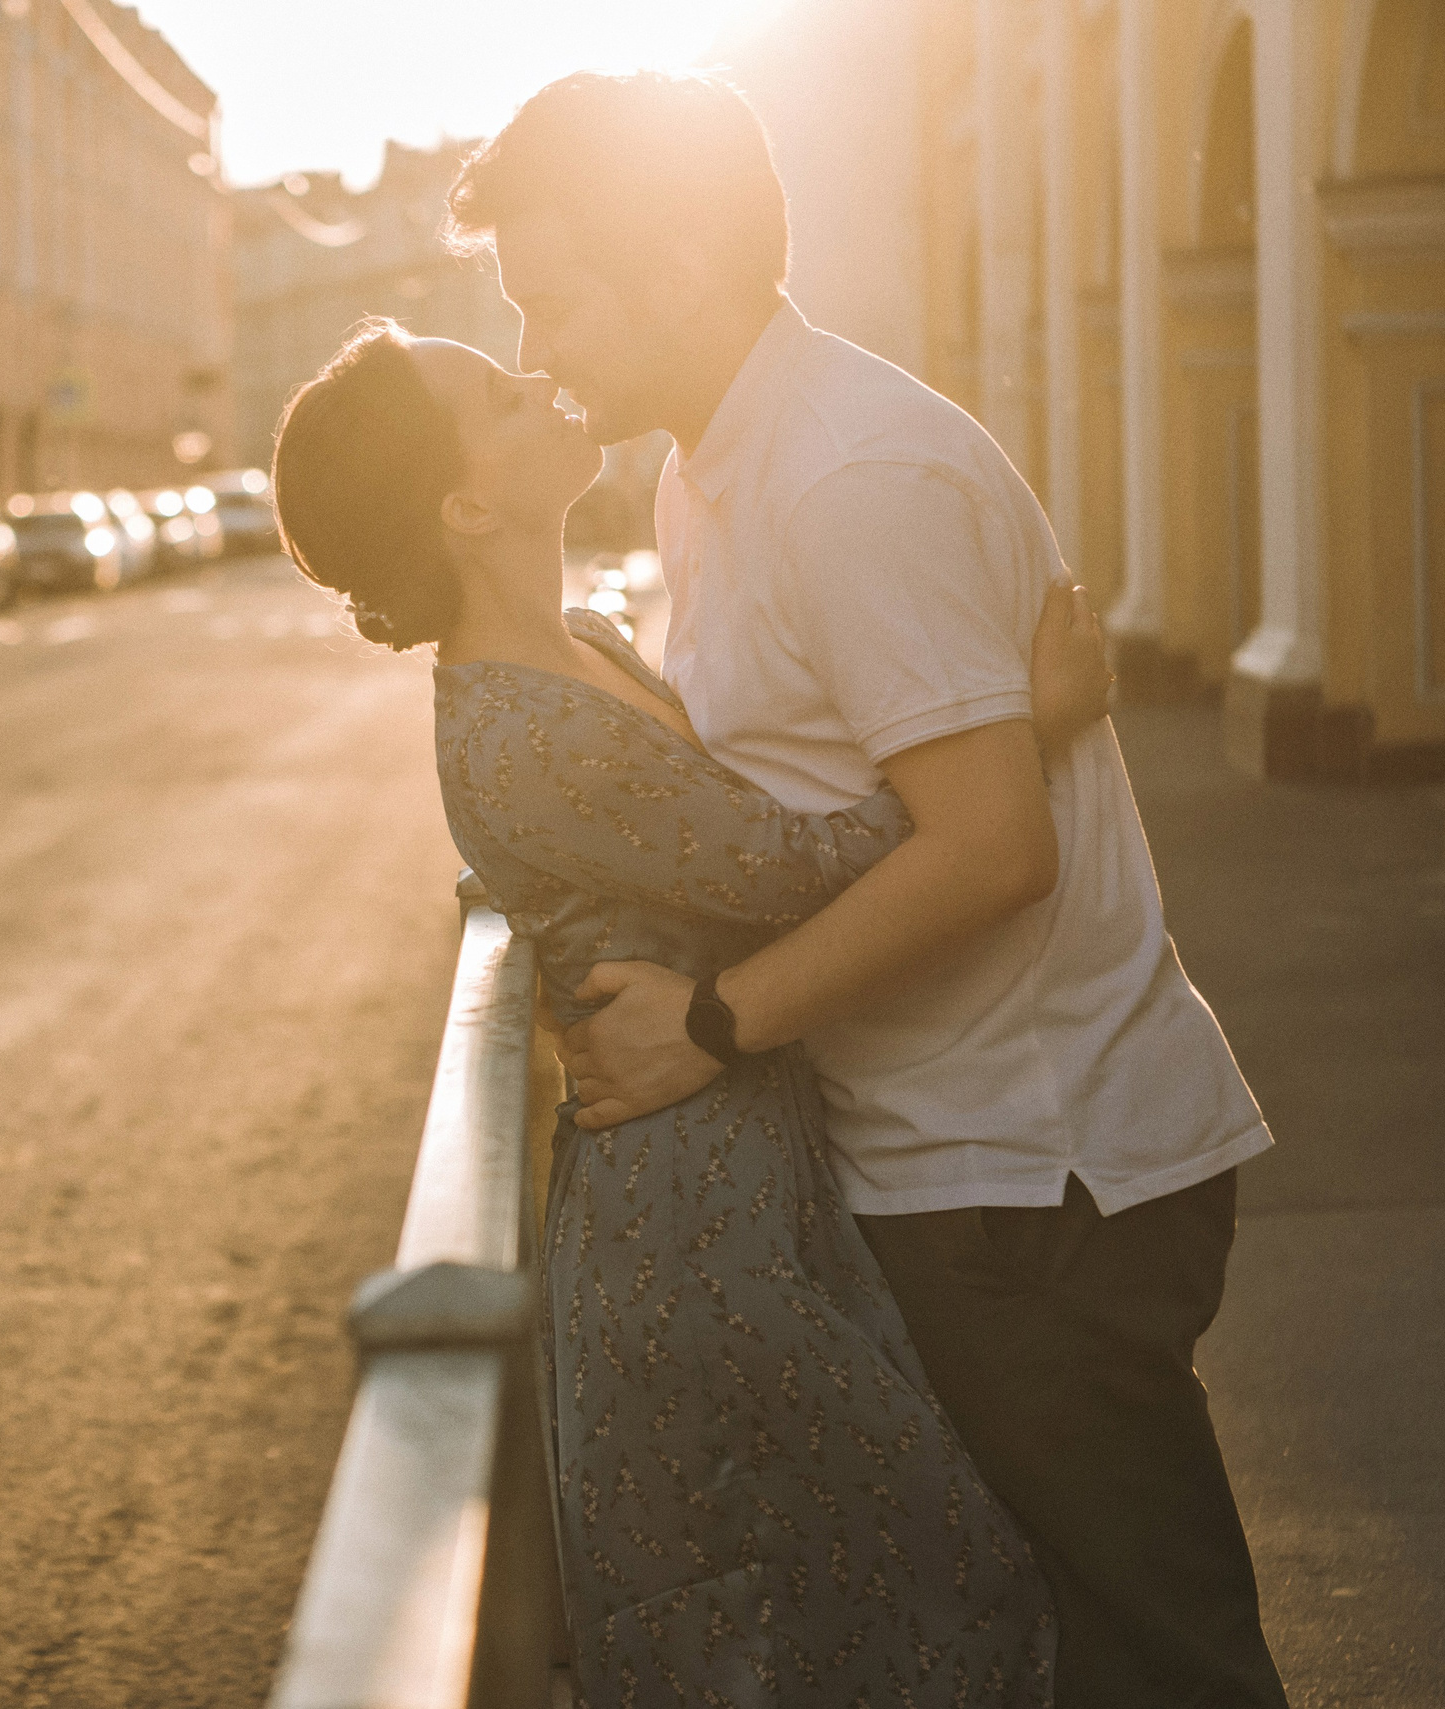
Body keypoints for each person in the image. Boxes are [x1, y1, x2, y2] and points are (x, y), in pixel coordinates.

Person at [443, 71, 1285, 1709]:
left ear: (684, 263)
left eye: (554, 299)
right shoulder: (710, 469)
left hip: (1037, 1178)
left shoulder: (847, 476)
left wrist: (708, 1023)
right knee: (1052, 1656)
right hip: (952, 1168)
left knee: (1156, 1663)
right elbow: (812, 796)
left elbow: (990, 847)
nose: (539, 350)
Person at [275, 316, 1120, 1703]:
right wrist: (1022, 723)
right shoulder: (513, 727)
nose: (539, 374)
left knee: (892, 1603)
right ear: (467, 502)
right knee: (920, 1588)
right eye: (496, 393)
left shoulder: (583, 640)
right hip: (695, 1247)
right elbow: (782, 874)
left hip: (747, 1175)